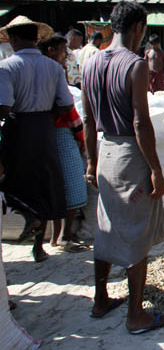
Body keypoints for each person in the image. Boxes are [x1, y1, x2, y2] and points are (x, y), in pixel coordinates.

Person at [82, 1, 164, 334]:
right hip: (131, 156)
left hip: (105, 152)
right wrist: (156, 169)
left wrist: (91, 160)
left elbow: (89, 120)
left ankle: (101, 299)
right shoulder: (135, 65)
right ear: (138, 27)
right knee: (135, 234)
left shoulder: (90, 63)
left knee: (105, 227)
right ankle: (136, 314)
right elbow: (140, 123)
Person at [0, 16, 74, 263]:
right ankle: (39, 248)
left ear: (14, 39)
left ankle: (28, 218)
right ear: (37, 39)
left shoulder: (7, 67)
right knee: (44, 184)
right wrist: (46, 114)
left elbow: (4, 106)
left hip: (18, 127)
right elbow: (65, 104)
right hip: (45, 128)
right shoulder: (53, 67)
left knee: (15, 182)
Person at [38, 34, 89, 252]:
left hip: (41, 132)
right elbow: (67, 107)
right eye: (62, 50)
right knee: (73, 185)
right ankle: (66, 236)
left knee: (53, 187)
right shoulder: (53, 70)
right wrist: (80, 134)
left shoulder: (30, 68)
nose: (66, 54)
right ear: (51, 50)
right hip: (61, 132)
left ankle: (52, 238)